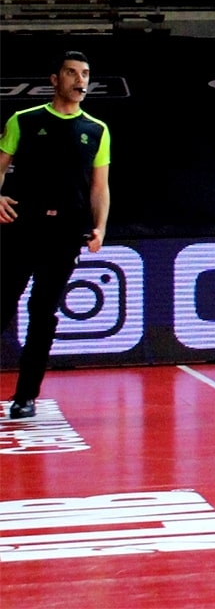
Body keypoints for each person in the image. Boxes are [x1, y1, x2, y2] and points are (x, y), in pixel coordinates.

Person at [1, 51, 111, 421]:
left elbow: (99, 186)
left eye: (85, 73)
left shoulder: (96, 129)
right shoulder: (24, 120)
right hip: (21, 228)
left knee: (43, 313)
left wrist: (100, 226)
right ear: (55, 79)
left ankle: (25, 397)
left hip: (64, 233)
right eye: (71, 73)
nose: (80, 80)